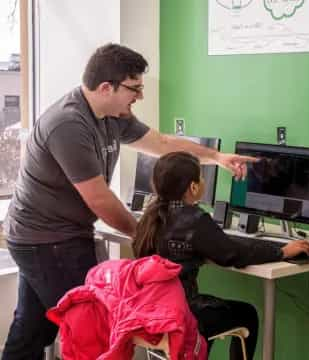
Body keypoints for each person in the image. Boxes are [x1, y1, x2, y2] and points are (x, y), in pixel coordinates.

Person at [2, 43, 255, 360]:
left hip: (52, 234)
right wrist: (145, 232)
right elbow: (99, 199)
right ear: (106, 87)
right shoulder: (69, 124)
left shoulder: (113, 115)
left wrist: (216, 157)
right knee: (92, 327)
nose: (140, 97)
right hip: (47, 239)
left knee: (31, 327)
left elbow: (162, 143)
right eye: (134, 88)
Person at [132, 152, 309, 360]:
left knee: (210, 311)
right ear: (193, 187)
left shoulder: (149, 216)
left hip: (149, 312)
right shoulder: (195, 218)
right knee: (247, 314)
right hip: (181, 315)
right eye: (201, 177)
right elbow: (233, 254)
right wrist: (282, 251)